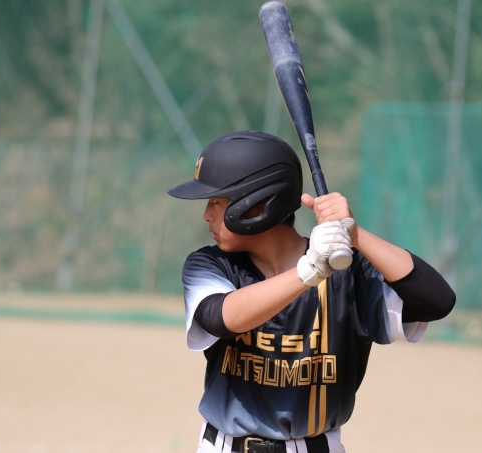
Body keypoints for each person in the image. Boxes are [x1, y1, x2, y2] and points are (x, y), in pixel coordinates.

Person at [168, 130, 455, 453]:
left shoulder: (346, 275)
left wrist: (356, 235)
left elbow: (437, 300)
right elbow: (221, 318)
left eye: (216, 202)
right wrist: (309, 271)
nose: (206, 214)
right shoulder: (211, 264)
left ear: (255, 206)